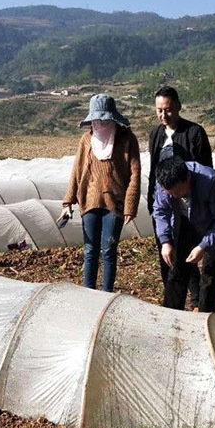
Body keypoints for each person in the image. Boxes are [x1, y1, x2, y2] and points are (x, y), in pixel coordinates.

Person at [61, 94, 141, 292]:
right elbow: (77, 171)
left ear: (113, 118)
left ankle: (106, 294)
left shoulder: (127, 139)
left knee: (108, 250)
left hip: (115, 204)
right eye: (97, 120)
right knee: (90, 250)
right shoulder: (87, 139)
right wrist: (67, 202)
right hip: (89, 202)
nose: (101, 123)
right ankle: (88, 293)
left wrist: (130, 206)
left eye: (105, 119)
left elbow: (135, 175)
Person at [152, 155, 215, 313]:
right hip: (186, 222)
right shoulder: (163, 182)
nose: (177, 196)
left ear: (188, 177)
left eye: (180, 192)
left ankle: (205, 318)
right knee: (177, 270)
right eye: (172, 194)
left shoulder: (210, 180)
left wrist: (203, 246)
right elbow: (160, 210)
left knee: (209, 274)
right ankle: (169, 316)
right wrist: (165, 240)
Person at [148, 86, 213, 309]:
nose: (163, 115)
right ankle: (173, 299)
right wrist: (152, 201)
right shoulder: (156, 134)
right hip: (164, 203)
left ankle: (195, 301)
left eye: (168, 110)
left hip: (187, 206)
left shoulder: (194, 133)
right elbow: (153, 171)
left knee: (187, 254)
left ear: (178, 107)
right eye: (159, 110)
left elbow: (206, 170)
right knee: (166, 252)